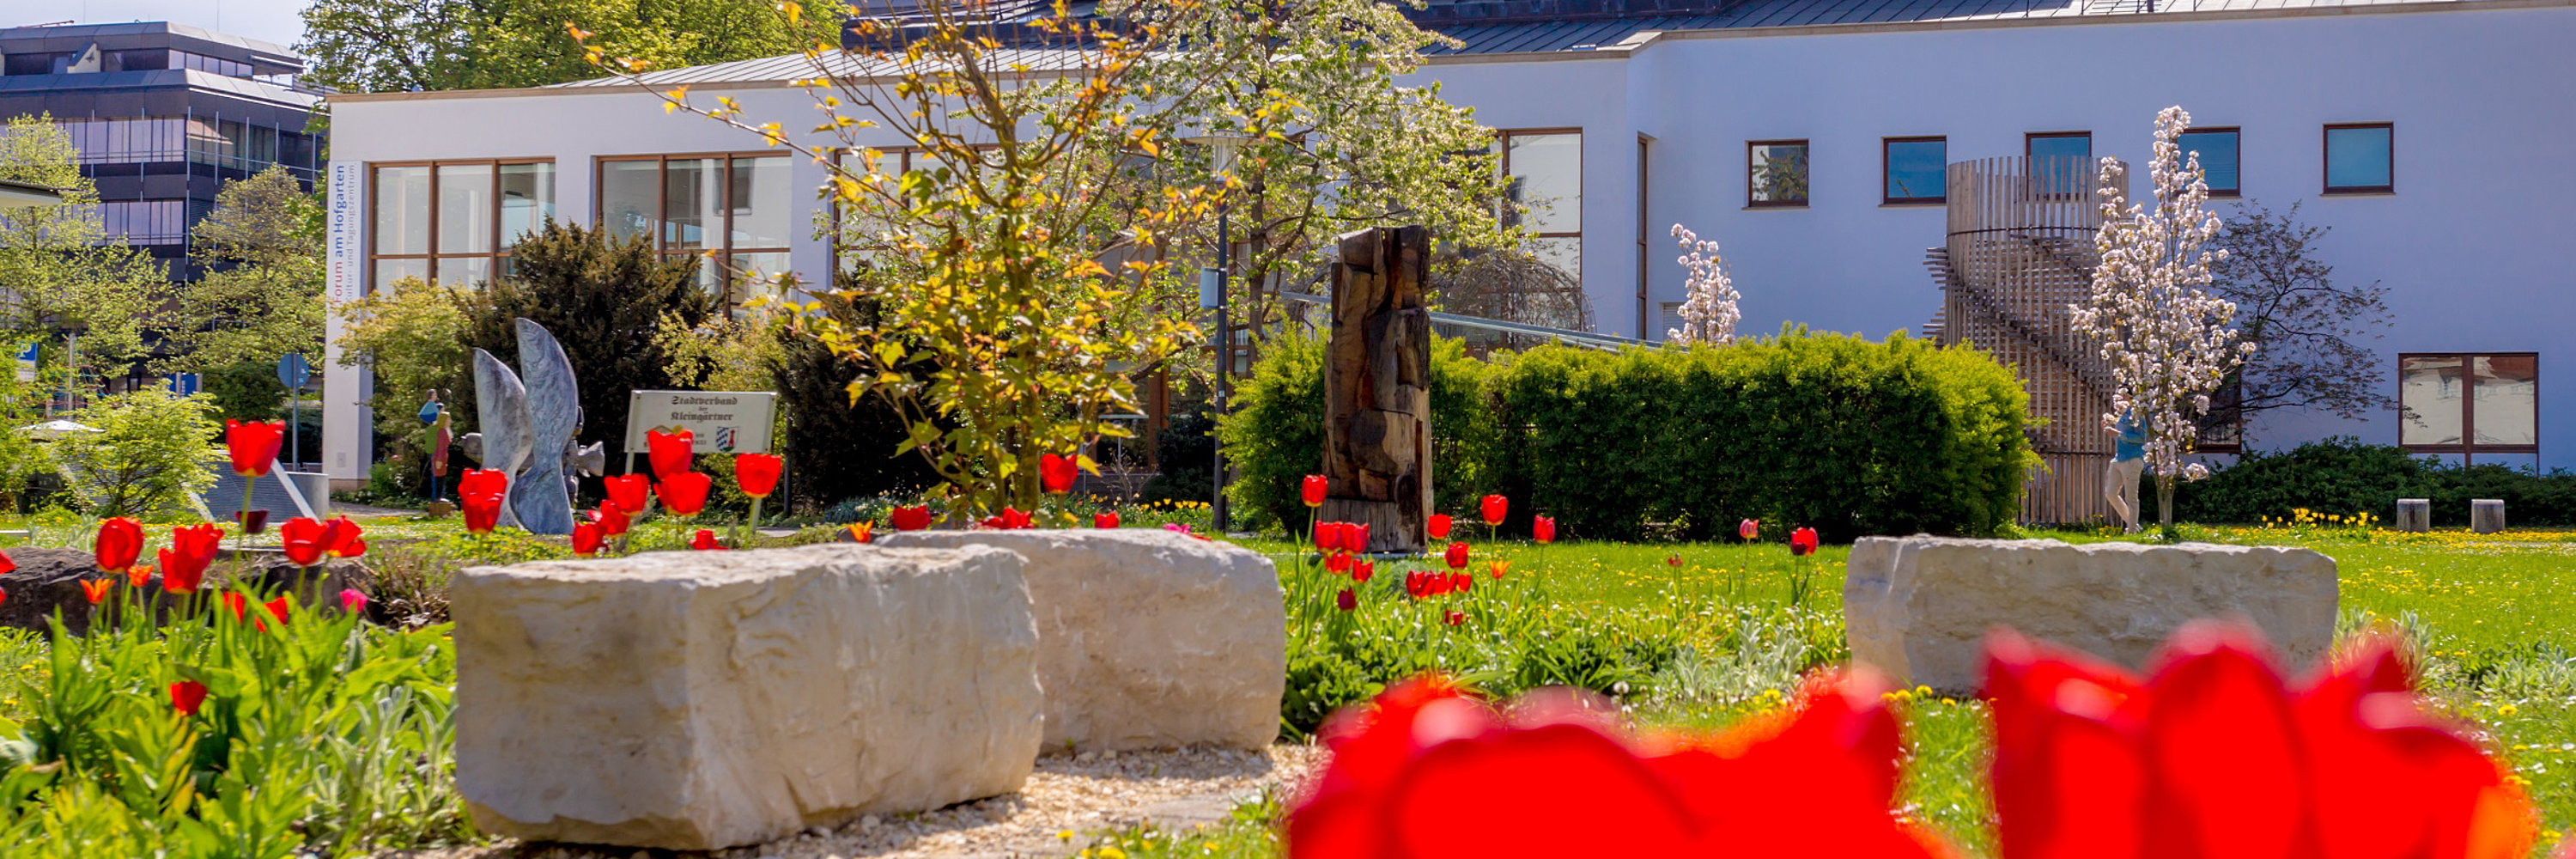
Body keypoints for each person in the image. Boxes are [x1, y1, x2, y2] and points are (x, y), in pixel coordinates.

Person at [2105, 411, 2147, 533]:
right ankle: (2133, 524)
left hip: (2133, 459)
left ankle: (2132, 531)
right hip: (2118, 458)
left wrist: (2118, 434)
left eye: (2122, 393)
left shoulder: (2138, 413)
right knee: (2110, 493)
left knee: (2131, 498)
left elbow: (2141, 438)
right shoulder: (2119, 413)